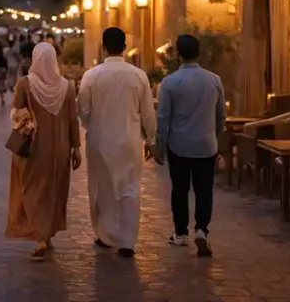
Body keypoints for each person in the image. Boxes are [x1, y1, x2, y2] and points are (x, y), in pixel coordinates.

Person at [77, 27, 156, 258]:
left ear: (103, 47)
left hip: (100, 140)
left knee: (102, 188)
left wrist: (91, 126)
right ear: (124, 47)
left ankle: (105, 234)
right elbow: (148, 113)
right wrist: (151, 139)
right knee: (129, 188)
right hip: (130, 140)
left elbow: (83, 108)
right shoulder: (138, 75)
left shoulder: (91, 76)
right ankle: (127, 240)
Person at [5, 42, 82, 261]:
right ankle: (46, 234)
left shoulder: (25, 84)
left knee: (31, 189)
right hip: (60, 148)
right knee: (52, 190)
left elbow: (15, 113)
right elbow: (72, 120)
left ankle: (40, 236)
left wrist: (26, 115)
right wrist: (76, 148)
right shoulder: (66, 86)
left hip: (34, 146)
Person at [155, 33, 226, 258]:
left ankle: (180, 233)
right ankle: (202, 230)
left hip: (179, 145)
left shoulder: (170, 82)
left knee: (180, 190)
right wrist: (215, 136)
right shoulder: (214, 80)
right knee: (205, 190)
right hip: (206, 145)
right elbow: (220, 116)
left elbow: (163, 117)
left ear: (177, 54)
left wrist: (159, 145)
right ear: (199, 53)